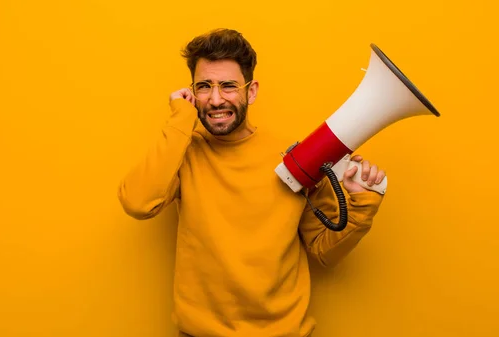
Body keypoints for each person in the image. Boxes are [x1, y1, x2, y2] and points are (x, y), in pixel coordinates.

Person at [117, 28, 386, 337]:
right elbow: (138, 203)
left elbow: (325, 251)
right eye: (204, 87)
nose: (215, 99)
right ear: (192, 92)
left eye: (229, 86)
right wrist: (180, 119)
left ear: (252, 90)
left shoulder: (293, 156)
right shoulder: (183, 151)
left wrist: (362, 205)